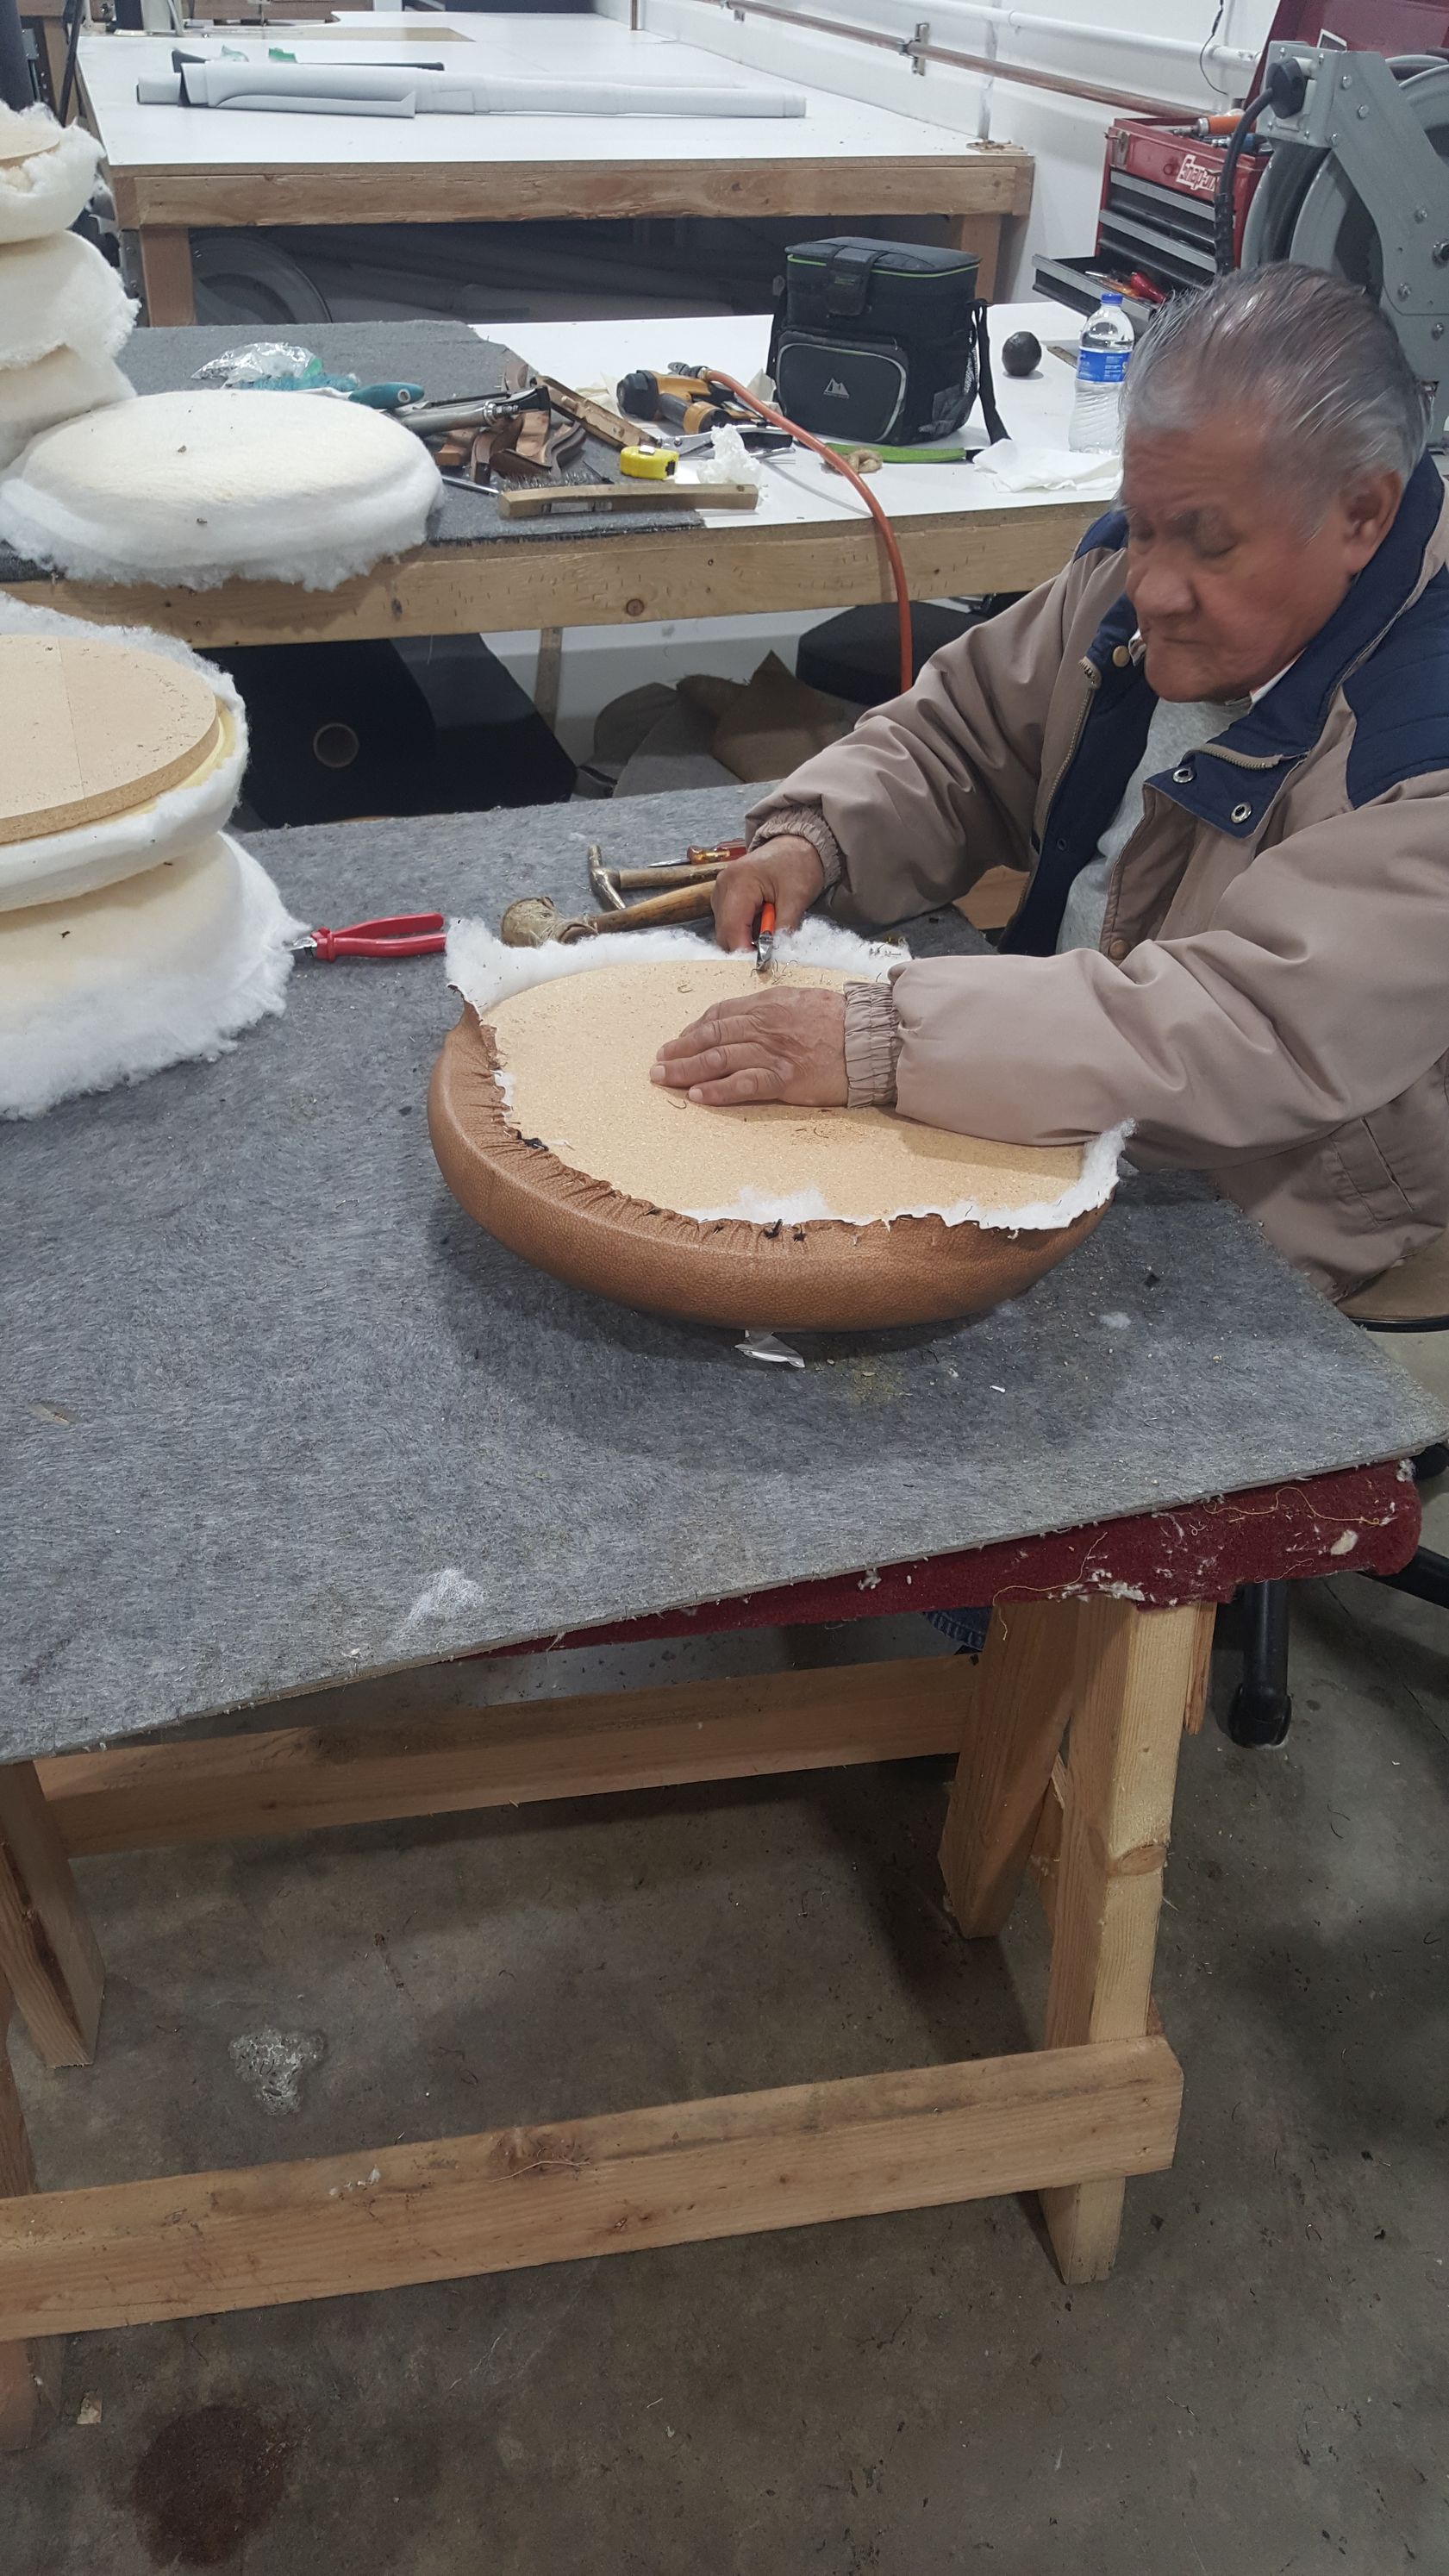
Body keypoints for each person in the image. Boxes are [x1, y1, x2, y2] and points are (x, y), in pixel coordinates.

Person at [651, 263, 1449, 1302]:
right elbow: (961, 735)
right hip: (1027, 1089)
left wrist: (886, 1039)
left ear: (1360, 517)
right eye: (1143, 523)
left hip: (1255, 1205)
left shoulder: (1419, 749)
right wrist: (820, 835)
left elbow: (1250, 1027)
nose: (1153, 586)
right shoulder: (1134, 575)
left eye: (1207, 544)